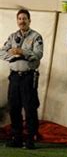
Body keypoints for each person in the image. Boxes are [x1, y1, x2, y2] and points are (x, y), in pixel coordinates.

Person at [0, 9, 43, 149]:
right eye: (19, 18)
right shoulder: (12, 37)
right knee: (14, 108)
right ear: (17, 21)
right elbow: (2, 52)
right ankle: (16, 137)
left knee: (29, 108)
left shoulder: (36, 37)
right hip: (14, 77)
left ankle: (30, 138)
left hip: (28, 76)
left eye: (24, 18)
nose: (22, 21)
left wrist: (23, 52)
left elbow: (38, 54)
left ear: (29, 20)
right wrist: (14, 56)